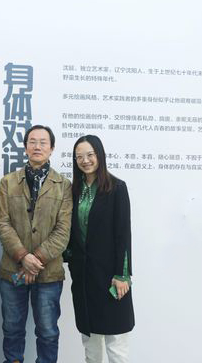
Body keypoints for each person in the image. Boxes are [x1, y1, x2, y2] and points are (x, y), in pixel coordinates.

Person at [0, 125, 72, 363]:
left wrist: (35, 259)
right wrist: (23, 256)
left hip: (48, 273)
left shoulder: (64, 185)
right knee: (12, 329)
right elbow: (3, 223)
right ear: (25, 147)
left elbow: (63, 230)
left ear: (52, 148)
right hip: (13, 270)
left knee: (48, 332)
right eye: (32, 141)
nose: (37, 146)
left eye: (43, 142)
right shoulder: (8, 182)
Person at [67, 135, 134, 363]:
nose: (85, 161)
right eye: (79, 157)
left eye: (90, 155)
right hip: (84, 278)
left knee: (116, 345)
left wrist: (122, 275)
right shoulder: (74, 190)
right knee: (91, 345)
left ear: (100, 155)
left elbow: (123, 235)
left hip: (110, 278)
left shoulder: (116, 188)